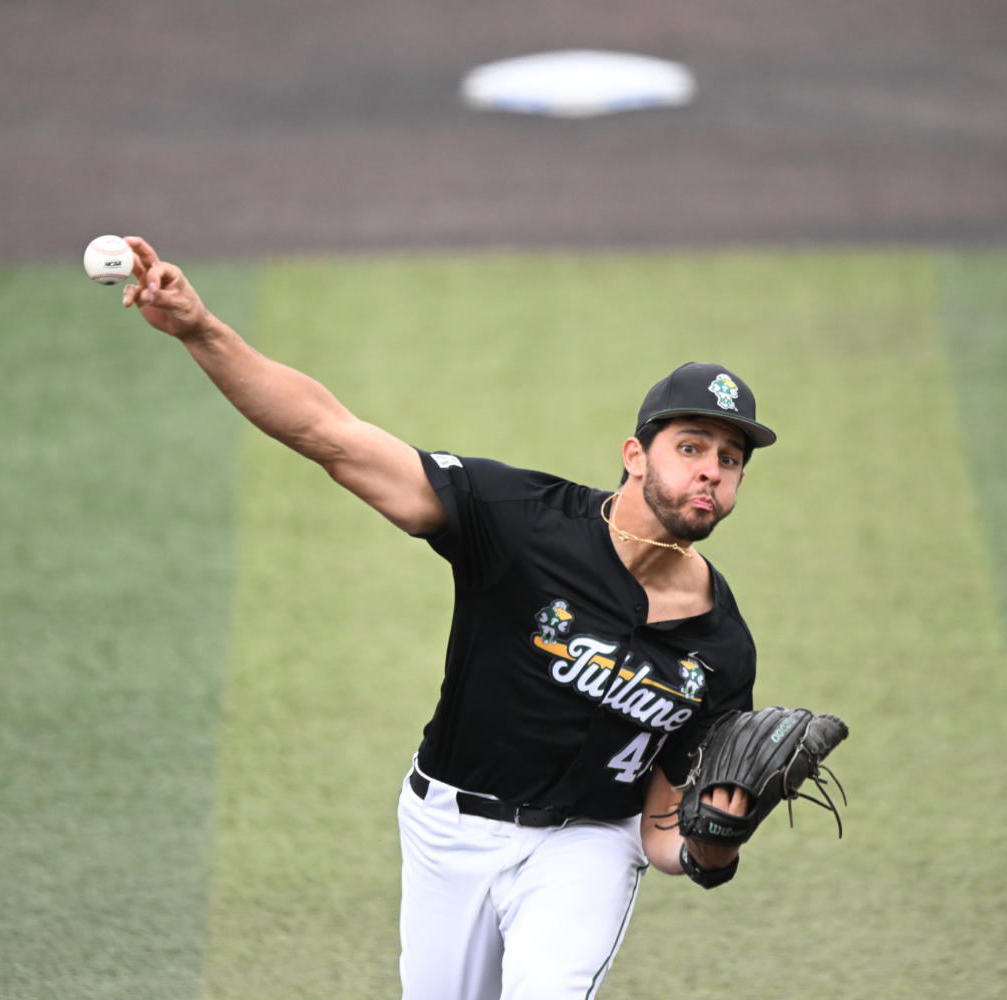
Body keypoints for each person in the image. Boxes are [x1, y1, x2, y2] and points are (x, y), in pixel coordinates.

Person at [118, 236, 776, 999]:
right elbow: (330, 435)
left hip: (589, 846)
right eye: (690, 446)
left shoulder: (722, 648)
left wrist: (714, 845)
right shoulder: (522, 524)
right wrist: (201, 328)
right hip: (449, 829)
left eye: (729, 460)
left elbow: (664, 831)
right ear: (634, 454)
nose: (709, 470)